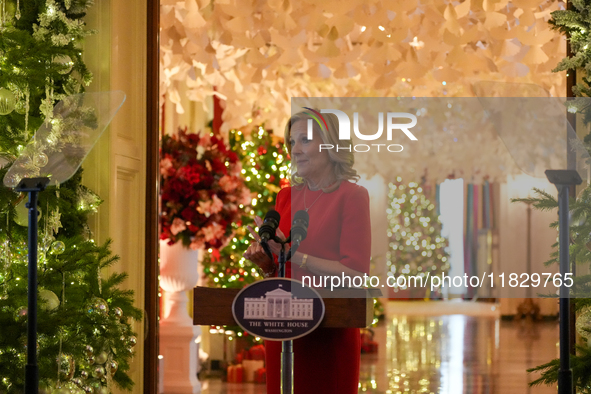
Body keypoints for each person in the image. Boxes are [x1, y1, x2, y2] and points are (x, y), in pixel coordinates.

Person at [243, 109, 371, 394]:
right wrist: (266, 262)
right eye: (292, 142)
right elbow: (281, 269)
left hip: (328, 334)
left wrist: (294, 254)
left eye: (305, 140)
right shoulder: (285, 196)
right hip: (281, 330)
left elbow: (355, 272)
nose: (295, 150)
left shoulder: (352, 196)